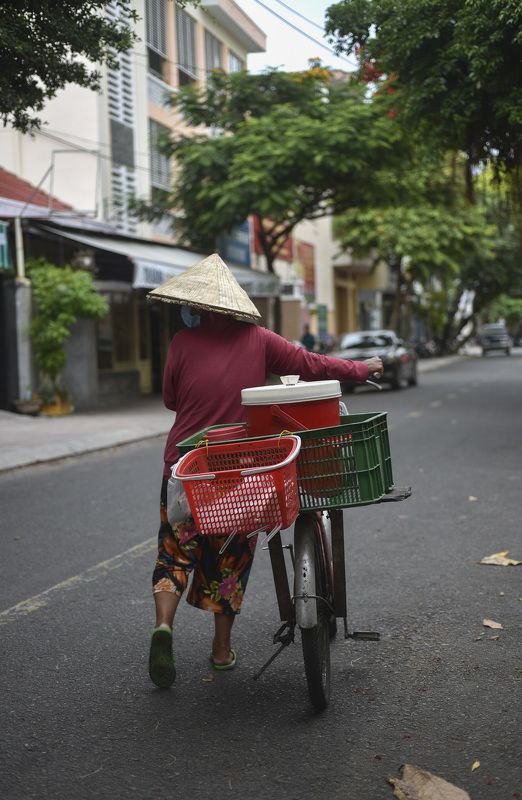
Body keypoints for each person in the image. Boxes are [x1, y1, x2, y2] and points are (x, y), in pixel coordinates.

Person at [147, 253, 383, 688]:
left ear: (197, 306)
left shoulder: (181, 342)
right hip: (238, 473)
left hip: (184, 469)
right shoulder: (259, 340)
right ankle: (221, 650)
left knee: (174, 554)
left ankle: (163, 626)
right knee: (229, 562)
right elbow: (311, 365)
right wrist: (360, 369)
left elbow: (170, 400)